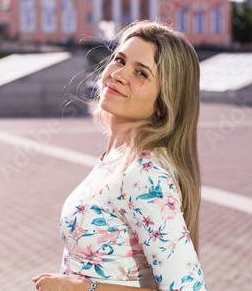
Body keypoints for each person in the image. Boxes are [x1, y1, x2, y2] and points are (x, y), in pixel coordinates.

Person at [33, 20, 206, 291]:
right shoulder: (116, 158)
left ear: (163, 104)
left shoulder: (146, 174)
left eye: (141, 73)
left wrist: (82, 289)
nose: (119, 74)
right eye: (119, 60)